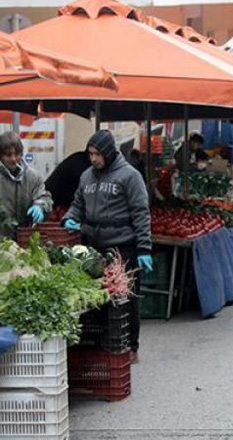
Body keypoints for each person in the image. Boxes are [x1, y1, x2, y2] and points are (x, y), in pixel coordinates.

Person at [62, 130, 151, 364]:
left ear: (109, 153)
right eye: (90, 154)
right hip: (94, 248)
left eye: (97, 154)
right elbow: (77, 204)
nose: (93, 159)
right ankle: (105, 345)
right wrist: (70, 218)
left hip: (123, 246)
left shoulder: (129, 176)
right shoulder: (86, 177)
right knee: (99, 299)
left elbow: (141, 213)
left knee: (127, 299)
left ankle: (131, 347)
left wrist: (144, 249)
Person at [0, 132, 52, 237]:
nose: (14, 159)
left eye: (17, 154)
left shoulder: (33, 177)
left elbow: (44, 197)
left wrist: (40, 206)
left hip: (26, 238)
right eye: (8, 155)